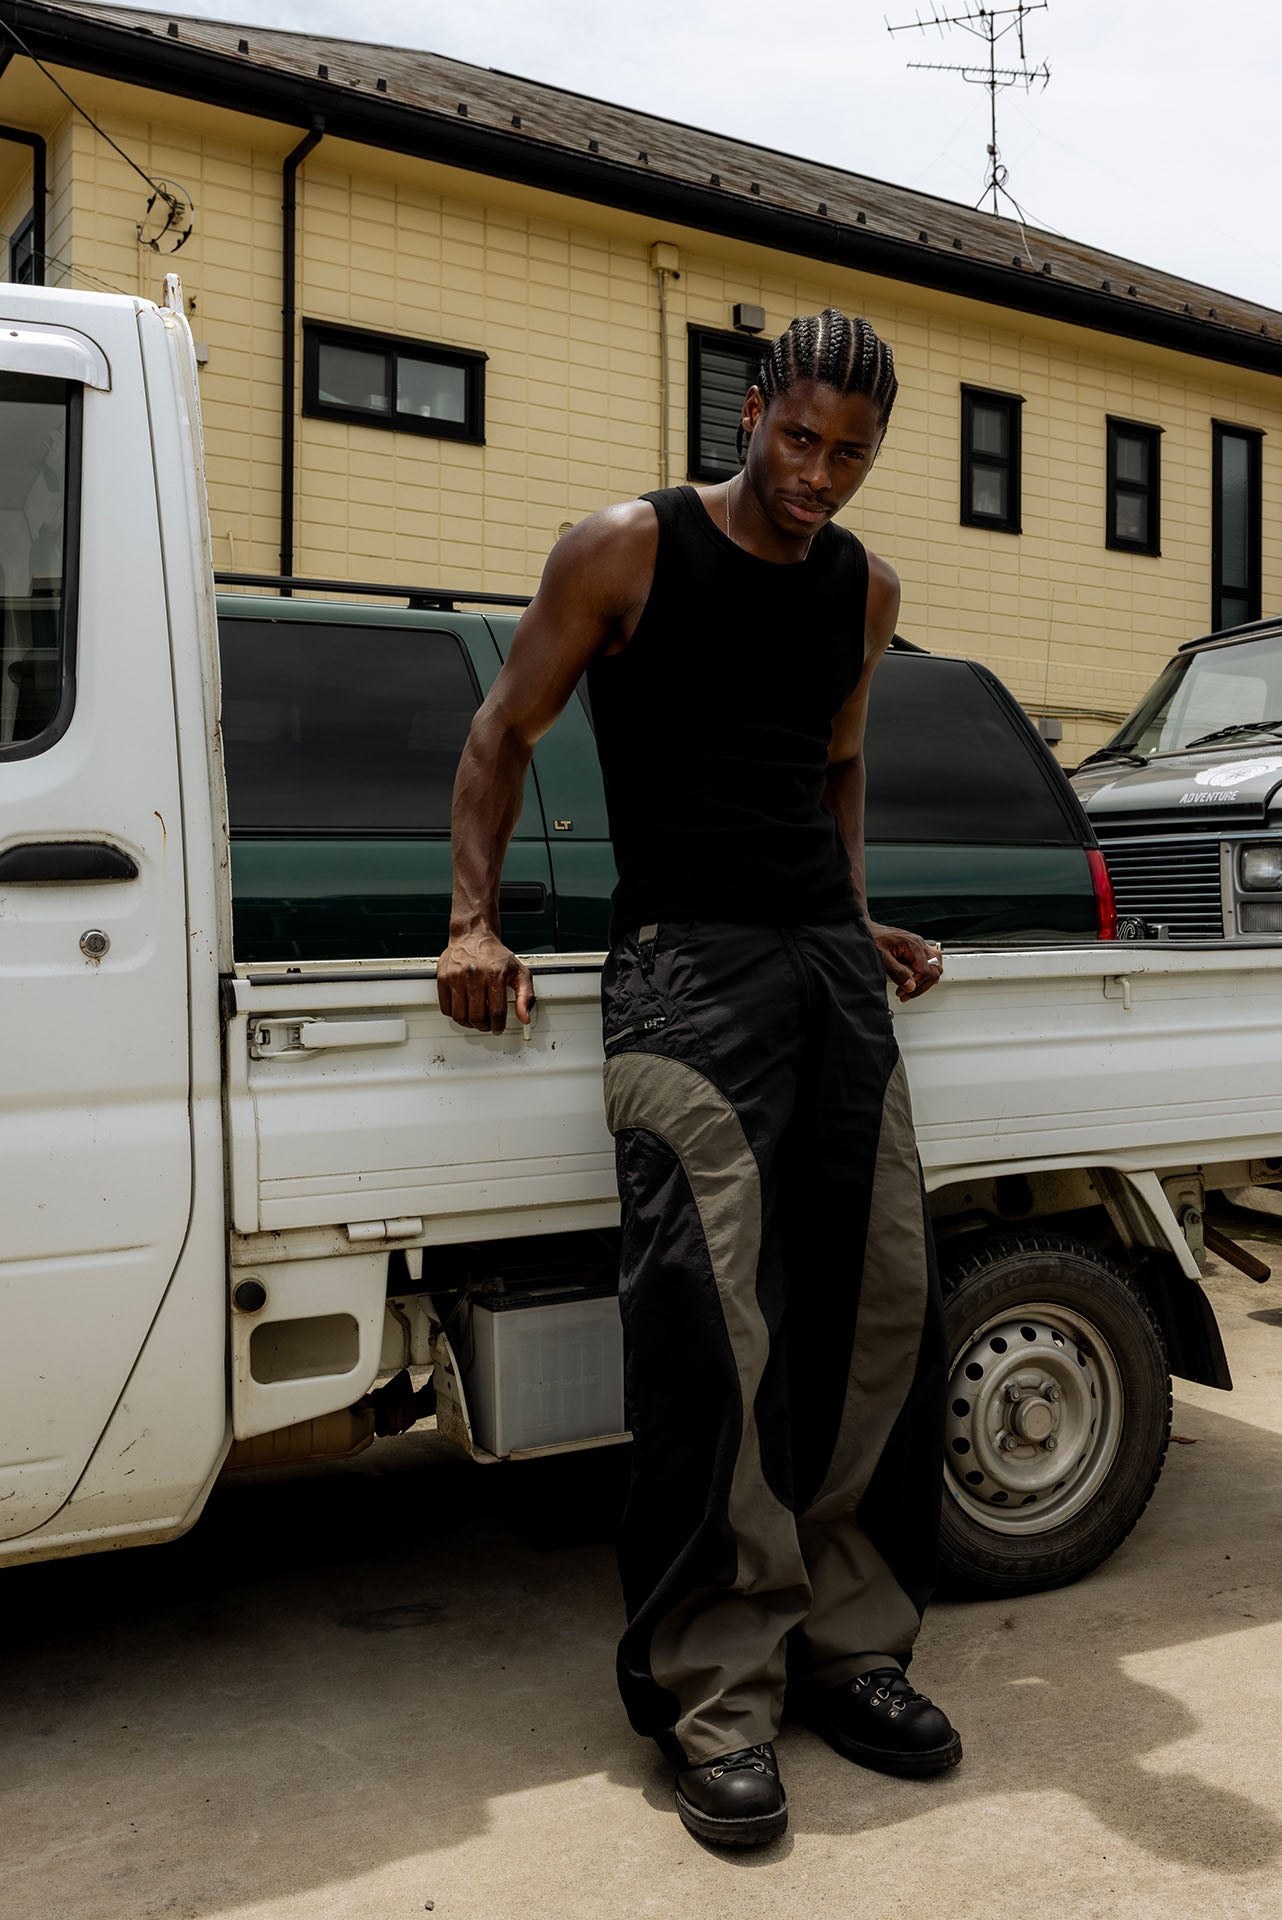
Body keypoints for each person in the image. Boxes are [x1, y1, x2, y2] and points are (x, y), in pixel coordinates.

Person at [439, 308, 959, 1849]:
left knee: (877, 1301)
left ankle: (851, 1647)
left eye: (851, 455)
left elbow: (836, 760)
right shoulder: (627, 550)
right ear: (749, 415)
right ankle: (716, 1690)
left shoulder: (866, 591)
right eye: (800, 440)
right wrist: (470, 919)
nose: (820, 476)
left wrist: (852, 913)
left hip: (823, 966)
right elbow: (502, 729)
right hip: (683, 964)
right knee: (707, 1328)